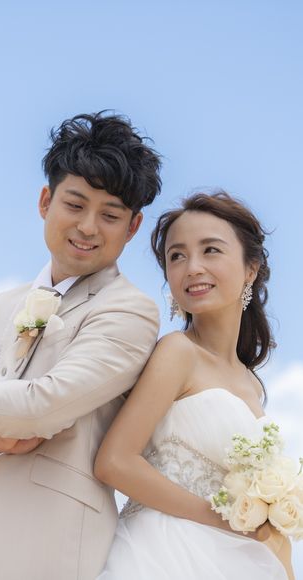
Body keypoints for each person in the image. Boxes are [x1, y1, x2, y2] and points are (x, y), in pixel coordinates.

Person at [0, 111, 162, 580]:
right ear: (46, 201)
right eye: (75, 204)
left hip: (50, 554)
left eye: (110, 215)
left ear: (132, 228)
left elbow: (42, 408)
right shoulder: (2, 306)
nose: (88, 226)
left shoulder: (129, 311)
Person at [94, 191, 293, 579]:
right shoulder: (178, 351)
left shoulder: (251, 384)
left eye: (210, 250)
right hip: (165, 552)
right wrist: (224, 520)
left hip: (237, 560)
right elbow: (114, 462)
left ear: (250, 268)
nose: (192, 268)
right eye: (177, 256)